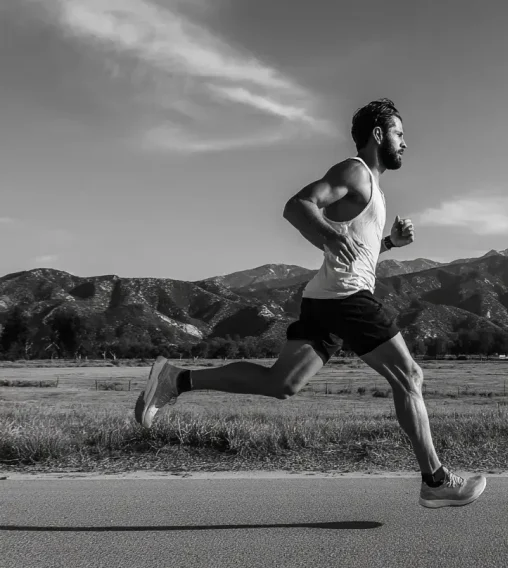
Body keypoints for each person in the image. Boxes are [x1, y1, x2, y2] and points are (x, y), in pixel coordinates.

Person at [134, 98, 486, 509]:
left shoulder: (372, 188)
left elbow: (357, 247)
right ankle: (436, 480)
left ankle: (176, 380)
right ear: (378, 135)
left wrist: (389, 243)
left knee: (281, 383)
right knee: (410, 377)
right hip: (347, 297)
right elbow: (297, 205)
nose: (405, 142)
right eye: (399, 133)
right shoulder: (355, 171)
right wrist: (328, 235)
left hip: (324, 298)